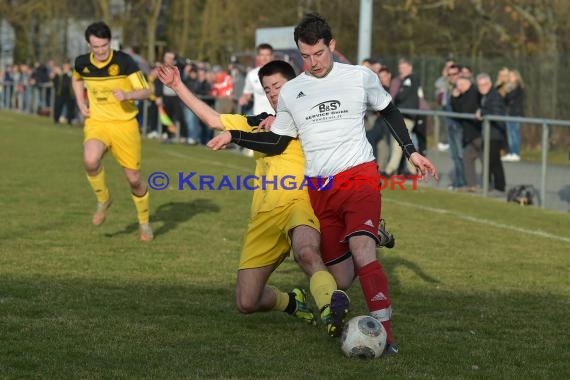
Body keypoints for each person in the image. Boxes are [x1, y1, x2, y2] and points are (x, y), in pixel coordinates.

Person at [207, 13, 438, 355]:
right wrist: (235, 136)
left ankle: (385, 337)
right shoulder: (293, 91)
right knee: (340, 279)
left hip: (359, 176)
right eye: (305, 56)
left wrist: (411, 152)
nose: (313, 62)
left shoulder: (360, 77)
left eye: (318, 53)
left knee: (362, 250)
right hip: (320, 189)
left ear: (332, 45)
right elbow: (277, 142)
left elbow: (388, 110)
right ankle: (370, 233)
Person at [156, 60, 349, 337]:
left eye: (278, 87)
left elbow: (284, 139)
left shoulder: (310, 119)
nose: (272, 93)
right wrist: (177, 86)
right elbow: (213, 119)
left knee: (306, 251)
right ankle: (291, 301)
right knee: (247, 301)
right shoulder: (257, 122)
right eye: (267, 89)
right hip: (264, 215)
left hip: (298, 203)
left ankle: (332, 310)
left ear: (294, 86)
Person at [71, 21, 153, 241]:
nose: (100, 51)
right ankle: (103, 199)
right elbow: (77, 79)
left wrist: (127, 96)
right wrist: (81, 104)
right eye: (95, 47)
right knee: (90, 160)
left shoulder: (124, 62)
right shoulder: (81, 63)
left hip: (125, 125)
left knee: (134, 180)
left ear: (110, 43)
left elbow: (146, 90)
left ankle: (144, 223)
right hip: (97, 123)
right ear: (89, 44)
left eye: (104, 46)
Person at [475, 73, 507, 193]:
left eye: (484, 85)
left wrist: (482, 112)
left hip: (495, 133)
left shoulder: (494, 95)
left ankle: (497, 186)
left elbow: (496, 112)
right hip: (488, 133)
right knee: (492, 160)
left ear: (490, 84)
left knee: (492, 160)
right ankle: (495, 185)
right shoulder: (484, 96)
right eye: (480, 85)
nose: (482, 87)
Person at [239, 43, 275, 115]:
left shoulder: (280, 73)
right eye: (262, 55)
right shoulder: (251, 74)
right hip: (258, 116)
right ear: (258, 57)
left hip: (276, 116)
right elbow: (247, 93)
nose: (264, 58)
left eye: (267, 55)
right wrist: (244, 98)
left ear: (272, 57)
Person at [503, 69, 525, 162]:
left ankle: (516, 153)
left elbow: (512, 98)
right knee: (510, 134)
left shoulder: (519, 87)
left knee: (514, 133)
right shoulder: (508, 87)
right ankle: (511, 152)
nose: (510, 78)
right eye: (509, 76)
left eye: (512, 76)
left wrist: (508, 91)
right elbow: (505, 100)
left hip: (515, 113)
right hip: (509, 113)